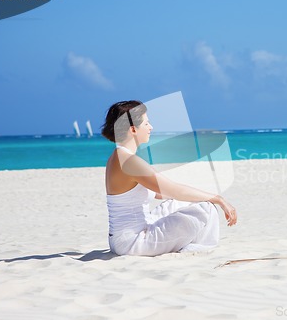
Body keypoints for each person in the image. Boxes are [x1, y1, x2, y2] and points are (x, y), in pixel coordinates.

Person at [101, 100, 237, 256]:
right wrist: (218, 199)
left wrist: (200, 196)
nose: (151, 127)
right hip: (133, 242)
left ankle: (191, 243)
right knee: (207, 208)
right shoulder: (128, 161)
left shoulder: (120, 157)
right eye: (146, 123)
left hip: (125, 238)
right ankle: (196, 248)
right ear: (133, 129)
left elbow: (162, 193)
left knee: (189, 202)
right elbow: (173, 189)